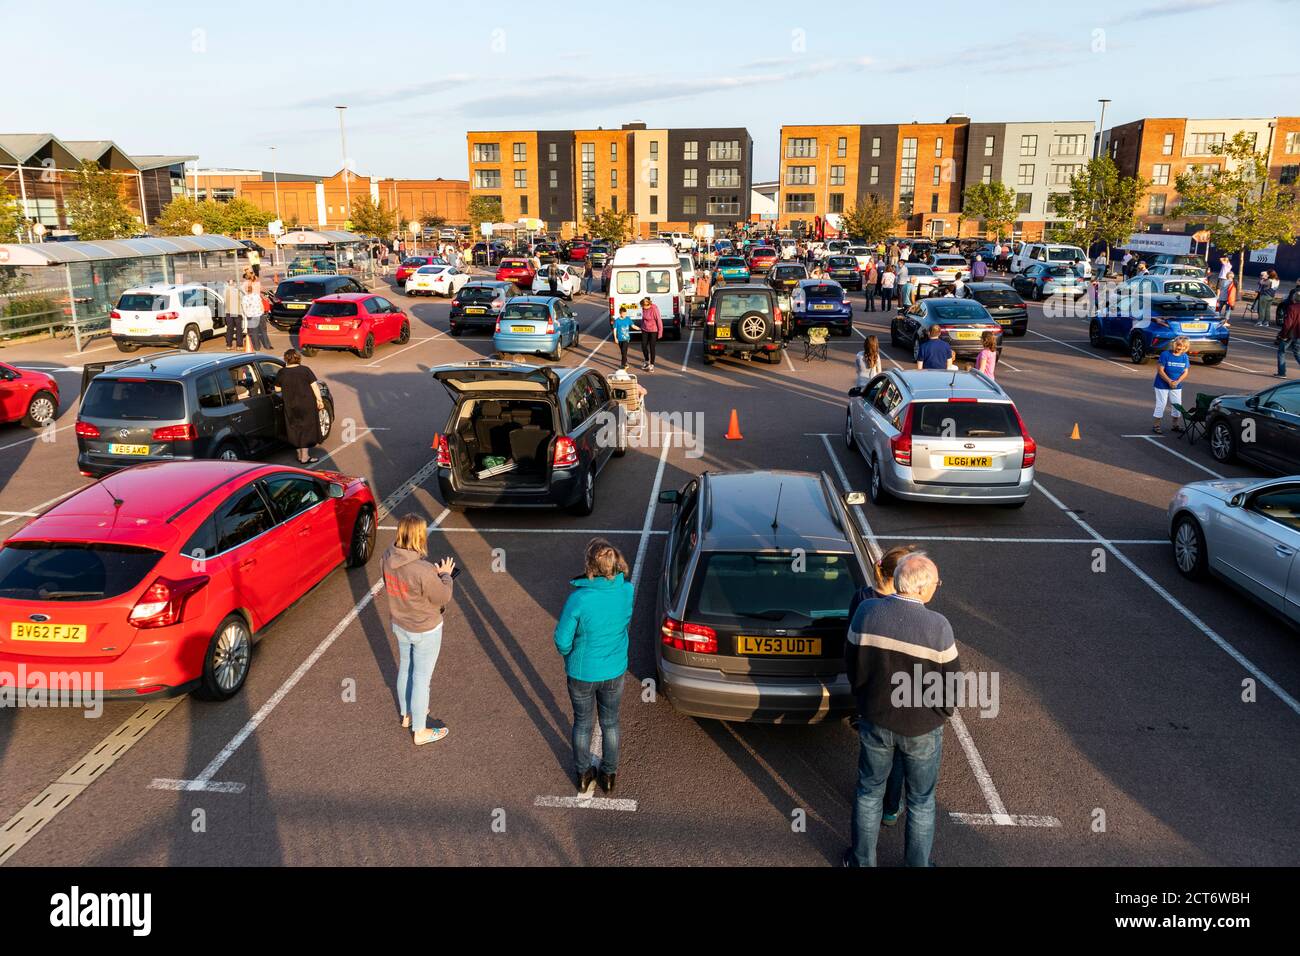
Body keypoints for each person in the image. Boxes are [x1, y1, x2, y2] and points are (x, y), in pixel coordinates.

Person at [844, 552, 959, 867]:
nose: (938, 586)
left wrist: (864, 699)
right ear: (922, 589)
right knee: (921, 801)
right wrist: (941, 714)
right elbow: (951, 683)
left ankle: (861, 861)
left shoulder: (867, 612)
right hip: (922, 726)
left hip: (875, 718)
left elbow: (852, 663)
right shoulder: (938, 626)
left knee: (869, 791)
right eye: (936, 582)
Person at [553, 538, 634, 795]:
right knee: (610, 722)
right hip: (614, 669)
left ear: (590, 566)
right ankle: (609, 774)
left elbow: (561, 639)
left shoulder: (579, 599)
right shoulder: (626, 590)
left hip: (582, 672)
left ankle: (583, 773)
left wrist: (569, 655)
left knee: (583, 723)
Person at [383, 514, 455, 746]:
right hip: (425, 629)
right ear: (419, 536)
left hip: (400, 624)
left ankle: (407, 714)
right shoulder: (422, 569)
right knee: (422, 679)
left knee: (406, 667)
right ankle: (420, 731)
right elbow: (442, 596)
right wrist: (445, 575)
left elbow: (395, 583)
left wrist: (431, 578)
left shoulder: (386, 556)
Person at [277, 348, 325, 463]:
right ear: (298, 358)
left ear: (286, 359)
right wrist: (320, 401)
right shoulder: (305, 370)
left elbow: (277, 388)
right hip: (307, 404)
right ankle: (305, 456)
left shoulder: (282, 372)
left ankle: (299, 454)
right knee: (307, 428)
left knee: (294, 428)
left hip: (290, 405)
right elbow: (314, 386)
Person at [1153, 336, 1191, 434]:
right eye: (1179, 345)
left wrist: (1177, 382)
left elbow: (1185, 372)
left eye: (1183, 347)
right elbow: (1160, 370)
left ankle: (1175, 425)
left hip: (1176, 385)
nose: (1180, 348)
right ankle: (1156, 425)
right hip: (1162, 384)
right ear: (1175, 344)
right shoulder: (1165, 354)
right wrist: (1169, 381)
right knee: (1161, 404)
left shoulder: (1184, 357)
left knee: (1177, 405)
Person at [239, 269, 270, 353]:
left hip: (251, 316)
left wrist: (246, 314)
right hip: (259, 314)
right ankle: (267, 345)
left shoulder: (245, 297)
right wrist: (262, 312)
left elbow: (244, 307)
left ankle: (257, 347)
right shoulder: (256, 294)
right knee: (264, 331)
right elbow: (261, 304)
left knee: (254, 332)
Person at [1275, 289, 1300, 376]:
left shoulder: (1292, 308)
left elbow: (1287, 324)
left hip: (1291, 334)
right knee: (1297, 354)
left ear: (1294, 299)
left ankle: (1281, 373)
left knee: (1281, 352)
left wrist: (1282, 335)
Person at [612, 303, 638, 370]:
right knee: (623, 352)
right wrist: (615, 338)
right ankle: (625, 363)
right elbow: (615, 330)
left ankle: (622, 365)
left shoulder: (628, 319)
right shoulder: (617, 321)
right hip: (620, 339)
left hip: (626, 339)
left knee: (624, 352)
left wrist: (640, 328)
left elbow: (633, 326)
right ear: (620, 313)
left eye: (625, 314)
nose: (625, 315)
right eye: (624, 314)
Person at [639, 296, 662, 371]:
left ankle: (652, 364)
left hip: (653, 330)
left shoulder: (654, 309)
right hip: (645, 329)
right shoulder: (643, 308)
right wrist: (642, 327)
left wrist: (660, 332)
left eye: (643, 306)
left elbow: (659, 320)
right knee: (643, 345)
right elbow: (643, 318)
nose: (642, 308)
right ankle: (646, 361)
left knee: (652, 347)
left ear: (647, 305)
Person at [223, 280, 245, 351]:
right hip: (237, 311)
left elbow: (224, 301)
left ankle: (229, 345)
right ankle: (239, 346)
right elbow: (242, 299)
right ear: (234, 283)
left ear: (228, 283)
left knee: (229, 329)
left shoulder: (224, 291)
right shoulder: (237, 291)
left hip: (228, 312)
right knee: (238, 329)